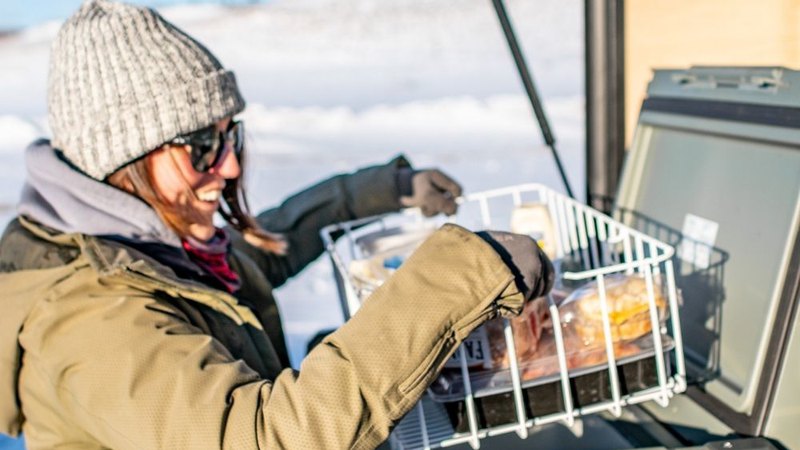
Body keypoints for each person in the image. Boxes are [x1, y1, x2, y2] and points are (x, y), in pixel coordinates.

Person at [0, 1, 554, 448]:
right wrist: (460, 275)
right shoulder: (87, 321)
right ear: (120, 164)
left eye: (230, 135)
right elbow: (265, 438)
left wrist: (371, 193)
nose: (231, 164)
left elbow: (260, 253)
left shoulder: (146, 245)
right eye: (202, 146)